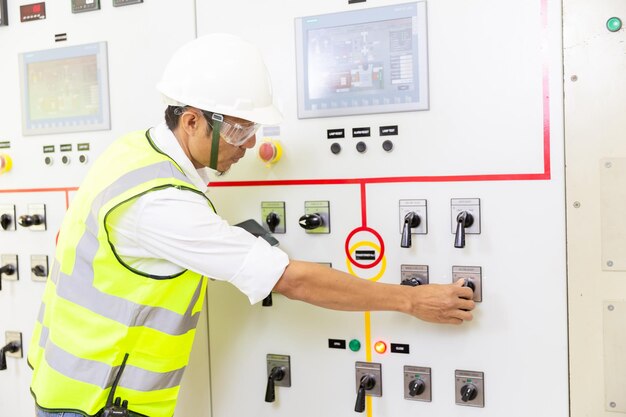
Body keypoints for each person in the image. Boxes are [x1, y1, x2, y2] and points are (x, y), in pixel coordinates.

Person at [28, 33, 475, 417]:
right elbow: (290, 280)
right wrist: (411, 301)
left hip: (73, 388)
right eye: (241, 132)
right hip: (97, 402)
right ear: (191, 122)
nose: (250, 146)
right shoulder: (162, 202)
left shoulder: (134, 152)